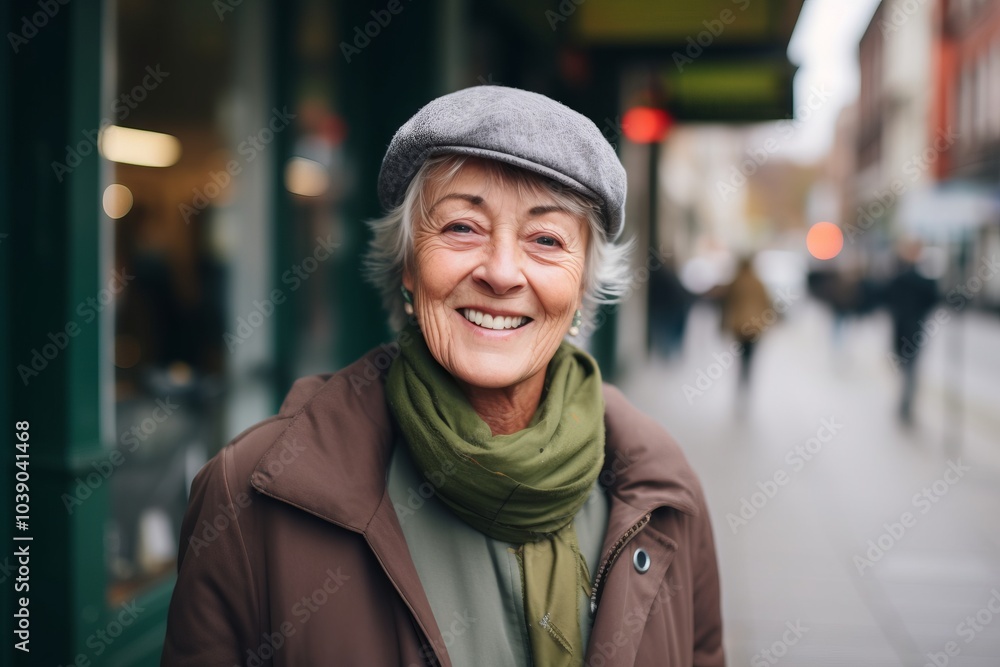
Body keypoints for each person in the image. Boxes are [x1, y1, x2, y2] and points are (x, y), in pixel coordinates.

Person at [161, 86, 725, 666]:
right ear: (408, 266)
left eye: (546, 239)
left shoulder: (662, 492)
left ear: (581, 288)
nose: (502, 273)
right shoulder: (249, 496)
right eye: (462, 227)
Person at [883, 239, 938, 424]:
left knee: (910, 371)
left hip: (912, 329)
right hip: (904, 330)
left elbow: (932, 299)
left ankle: (905, 406)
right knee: (907, 370)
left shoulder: (916, 275)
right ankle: (905, 406)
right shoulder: (904, 274)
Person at [720, 256, 772, 394]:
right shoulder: (758, 282)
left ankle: (741, 383)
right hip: (754, 327)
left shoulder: (736, 282)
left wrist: (722, 325)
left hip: (739, 326)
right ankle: (746, 383)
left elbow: (726, 305)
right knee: (750, 358)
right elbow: (767, 304)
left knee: (741, 357)